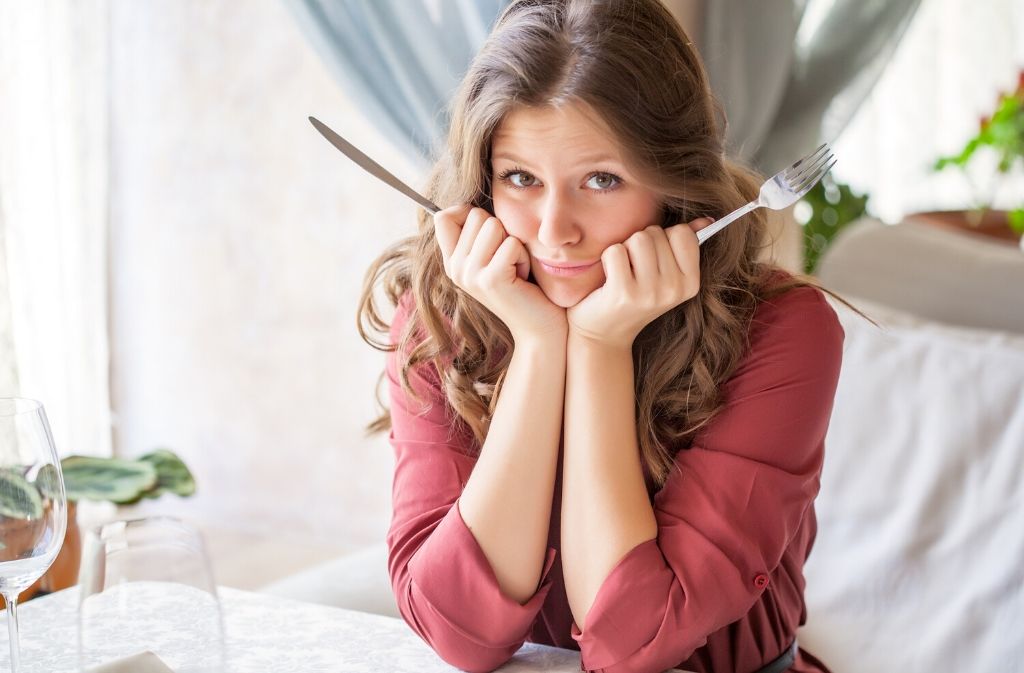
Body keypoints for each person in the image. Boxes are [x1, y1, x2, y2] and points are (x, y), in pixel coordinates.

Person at [357, 1, 871, 671]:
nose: (553, 229)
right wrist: (541, 347)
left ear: (672, 181)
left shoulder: (783, 329)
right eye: (520, 177)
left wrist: (599, 346)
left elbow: (633, 643)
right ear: (483, 182)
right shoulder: (441, 314)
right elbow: (460, 630)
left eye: (602, 179)